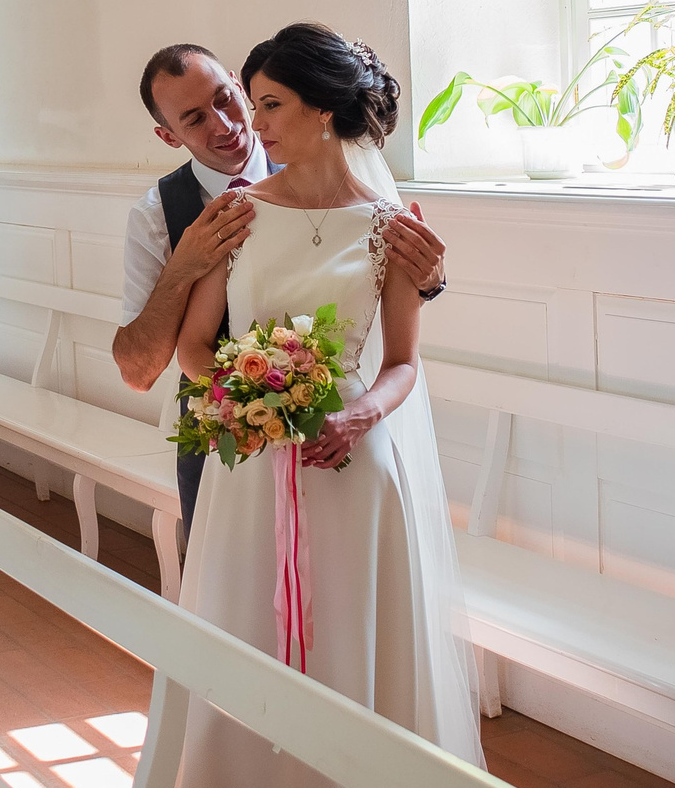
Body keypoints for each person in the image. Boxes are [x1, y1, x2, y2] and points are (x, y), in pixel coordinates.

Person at [154, 23, 618, 788]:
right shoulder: (235, 216)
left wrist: (358, 411)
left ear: (322, 110)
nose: (253, 123)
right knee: (249, 652)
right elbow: (194, 348)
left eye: (268, 103)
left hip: (355, 473)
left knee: (354, 666)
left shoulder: (392, 228)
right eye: (250, 102)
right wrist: (246, 394)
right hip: (251, 474)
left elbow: (404, 363)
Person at [115, 42, 447, 535]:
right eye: (195, 119)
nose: (228, 125)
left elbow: (397, 336)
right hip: (227, 437)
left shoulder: (339, 183)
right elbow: (139, 370)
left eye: (227, 100)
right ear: (168, 136)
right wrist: (183, 265)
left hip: (343, 441)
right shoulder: (160, 215)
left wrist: (430, 280)